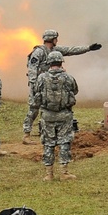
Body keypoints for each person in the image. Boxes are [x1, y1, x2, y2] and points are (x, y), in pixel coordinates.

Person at [23, 29, 101, 144]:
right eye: (55, 38)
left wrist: (88, 48)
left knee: (54, 107)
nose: (57, 40)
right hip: (40, 85)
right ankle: (26, 135)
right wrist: (34, 85)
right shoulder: (39, 52)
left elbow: (71, 50)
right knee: (34, 109)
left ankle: (51, 132)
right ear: (52, 39)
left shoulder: (55, 50)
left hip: (50, 84)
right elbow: (32, 69)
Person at [31, 50, 79, 181]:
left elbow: (36, 90)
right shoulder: (68, 77)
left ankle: (49, 174)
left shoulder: (41, 77)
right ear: (61, 62)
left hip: (47, 115)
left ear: (49, 63)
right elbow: (75, 90)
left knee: (48, 143)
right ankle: (64, 173)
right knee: (64, 142)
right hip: (64, 115)